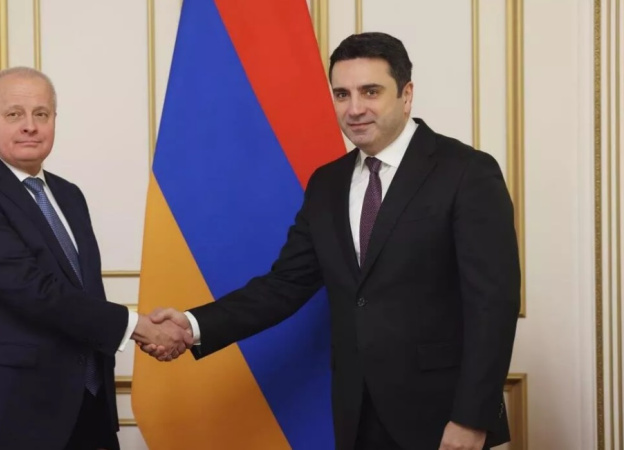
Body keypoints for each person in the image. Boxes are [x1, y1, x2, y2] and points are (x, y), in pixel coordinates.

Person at [145, 32, 520, 450]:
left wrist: (471, 418)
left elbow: (494, 305)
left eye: (370, 91)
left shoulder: (467, 172)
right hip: (355, 414)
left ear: (406, 94)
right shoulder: (327, 183)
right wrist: (193, 326)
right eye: (342, 94)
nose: (354, 108)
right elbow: (285, 285)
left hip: (443, 418)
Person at [0, 66, 191, 450]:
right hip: (4, 414)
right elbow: (33, 290)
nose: (30, 126)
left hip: (86, 407)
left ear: (55, 119)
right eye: (14, 114)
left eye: (41, 113)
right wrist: (137, 326)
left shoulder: (68, 195)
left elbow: (85, 292)